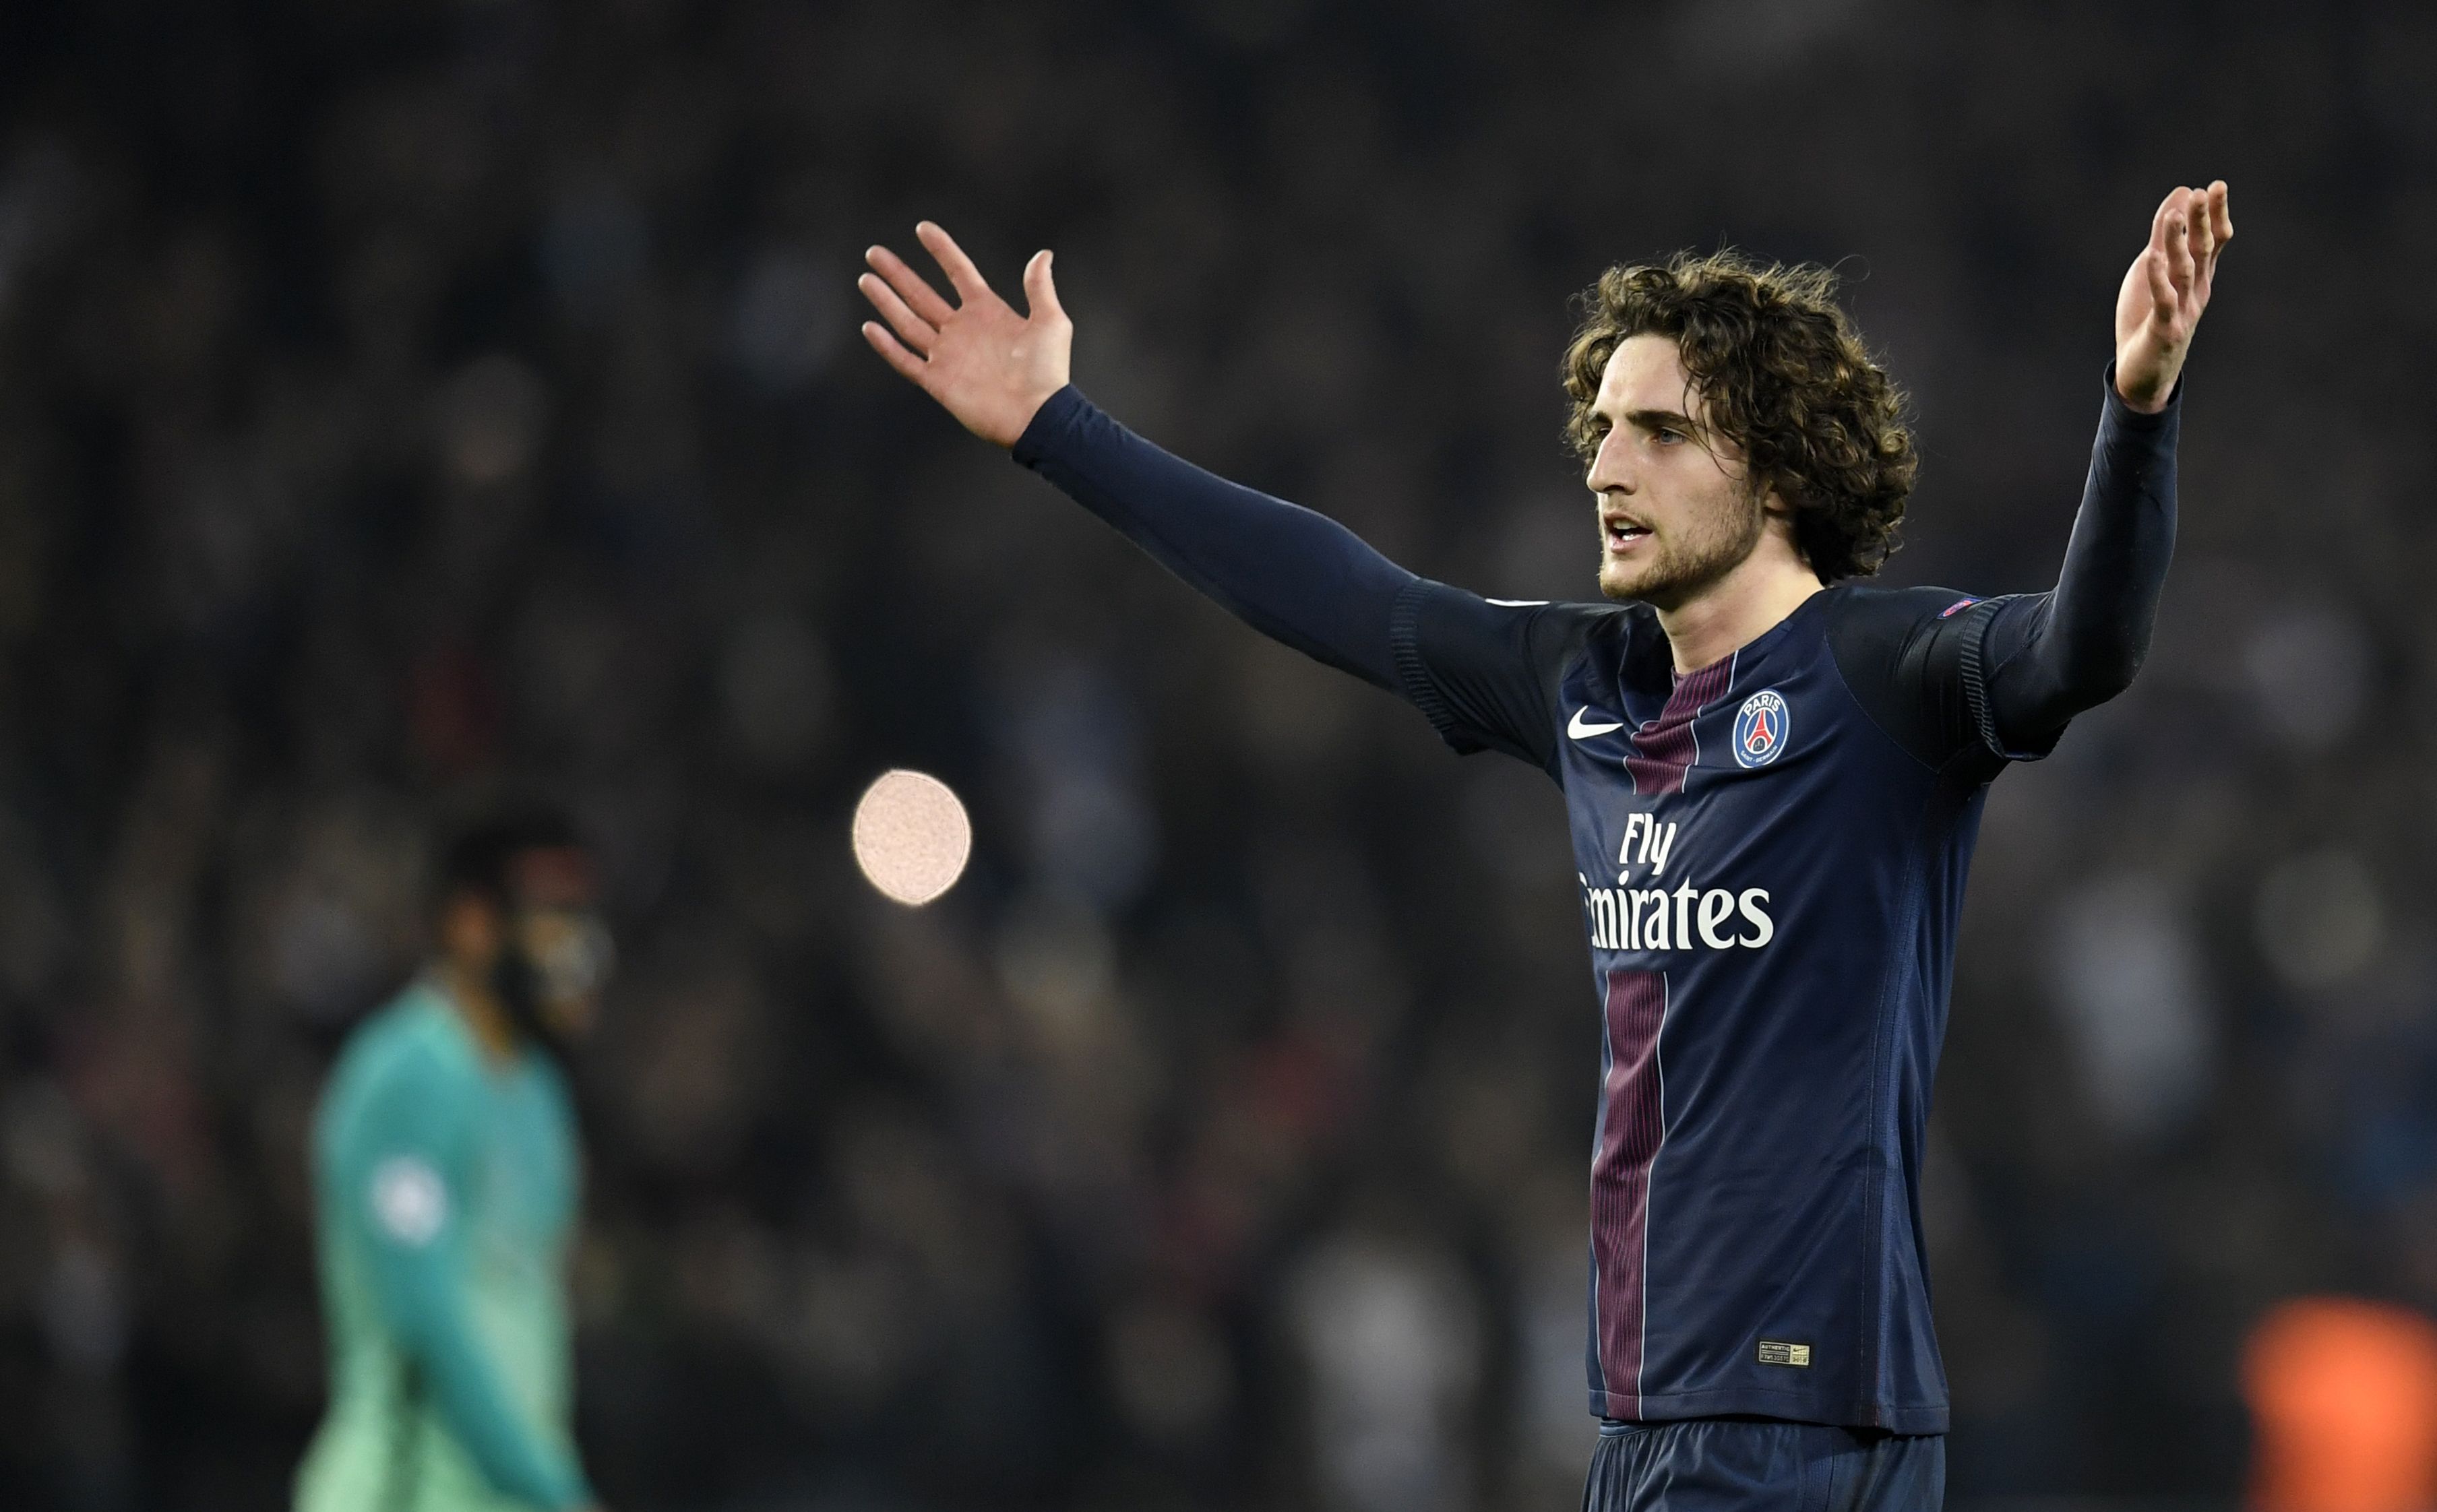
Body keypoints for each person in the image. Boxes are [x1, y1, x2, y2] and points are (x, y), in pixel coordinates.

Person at [855, 180, 2229, 1510]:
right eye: (1602, 428)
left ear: (1778, 467)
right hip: (1657, 1412)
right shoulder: (1587, 682)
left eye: (1660, 432)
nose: (1607, 465)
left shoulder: (1882, 669)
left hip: (1785, 1411)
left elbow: (2081, 648)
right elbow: (1338, 593)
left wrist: (2137, 410)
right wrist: (1057, 425)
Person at [295, 809, 615, 1512]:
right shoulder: (409, 1078)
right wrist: (547, 1488)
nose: (579, 948)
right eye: (553, 918)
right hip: (403, 1492)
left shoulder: (538, 1093)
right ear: (472, 923)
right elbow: (420, 1316)